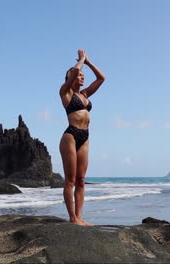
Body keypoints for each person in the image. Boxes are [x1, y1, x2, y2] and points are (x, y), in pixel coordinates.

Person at [59, 49, 105, 226]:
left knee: (81, 181)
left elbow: (101, 78)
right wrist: (80, 61)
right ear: (71, 77)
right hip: (70, 136)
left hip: (85, 137)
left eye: (83, 75)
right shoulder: (65, 92)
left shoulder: (84, 95)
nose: (82, 77)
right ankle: (72, 218)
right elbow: (75, 72)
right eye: (79, 75)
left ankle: (79, 216)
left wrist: (89, 63)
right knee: (70, 180)